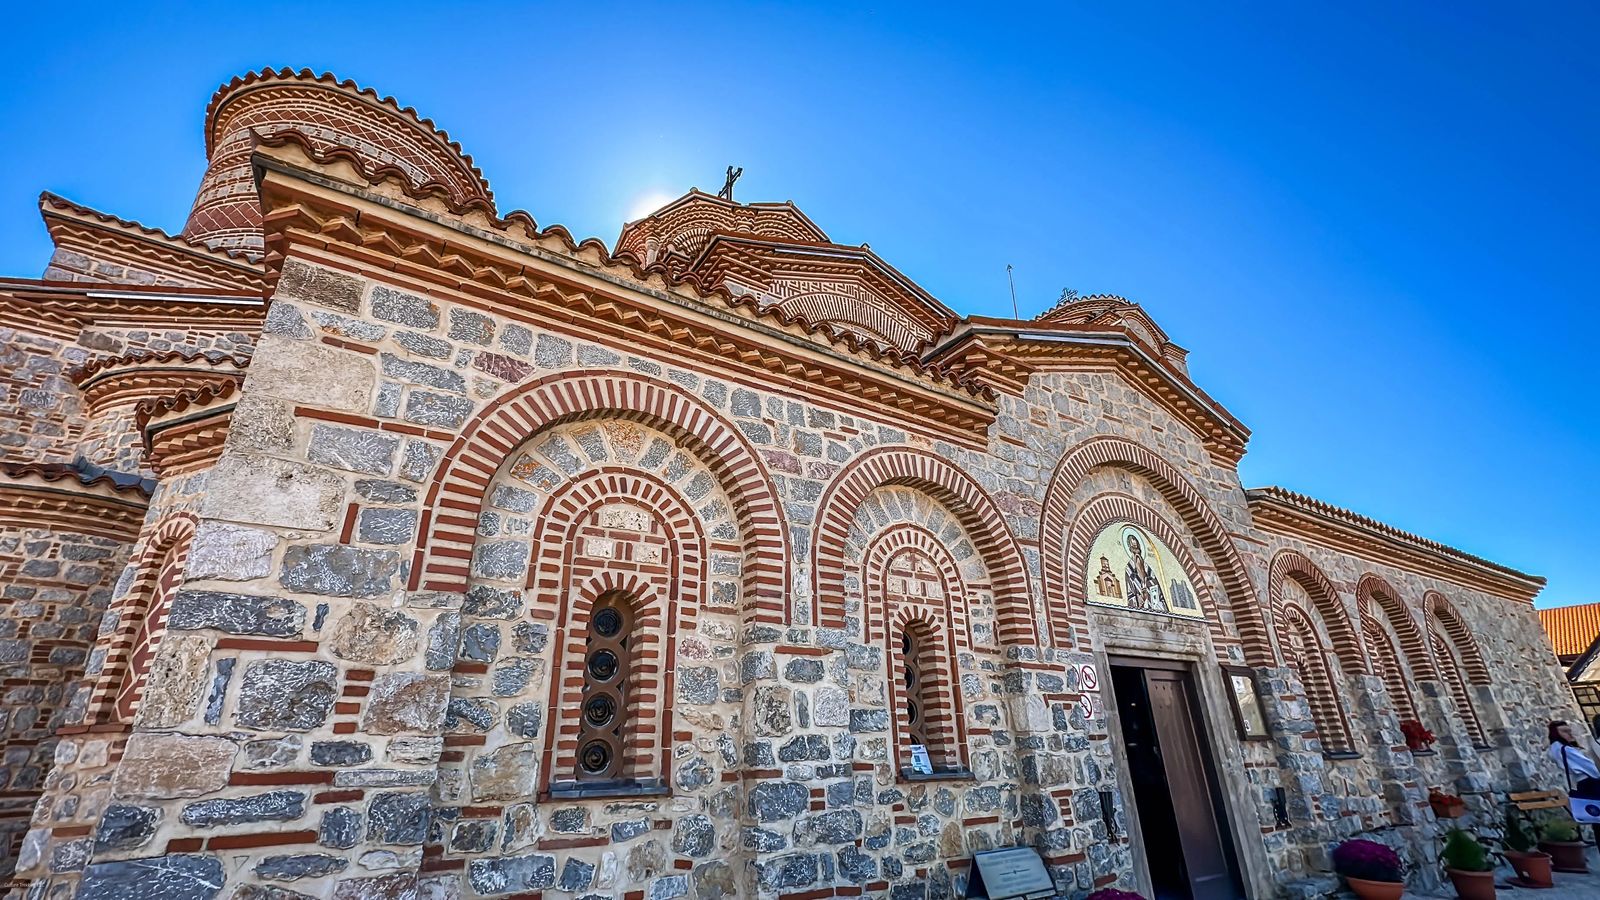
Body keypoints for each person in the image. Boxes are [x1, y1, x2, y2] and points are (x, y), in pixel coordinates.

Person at [1550, 720, 1600, 827]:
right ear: (1556, 733)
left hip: (1582, 783)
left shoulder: (1556, 748)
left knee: (1595, 816)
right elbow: (1588, 765)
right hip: (1589, 782)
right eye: (1564, 731)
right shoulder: (1564, 749)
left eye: (1569, 731)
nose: (1569, 734)